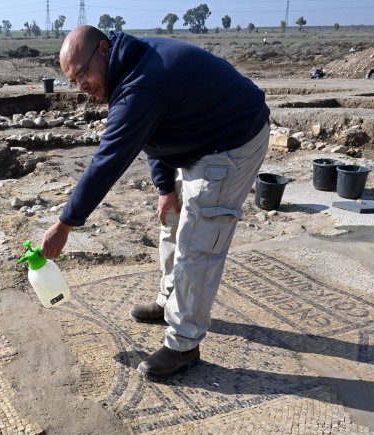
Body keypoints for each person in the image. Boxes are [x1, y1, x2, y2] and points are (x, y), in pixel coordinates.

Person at [40, 26, 270, 380]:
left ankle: (183, 344)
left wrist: (65, 223)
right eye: (73, 81)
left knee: (198, 242)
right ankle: (168, 302)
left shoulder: (140, 84)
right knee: (172, 218)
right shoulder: (129, 70)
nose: (82, 86)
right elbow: (155, 132)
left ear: (104, 48)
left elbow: (108, 162)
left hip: (233, 139)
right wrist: (165, 187)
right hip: (199, 136)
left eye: (83, 73)